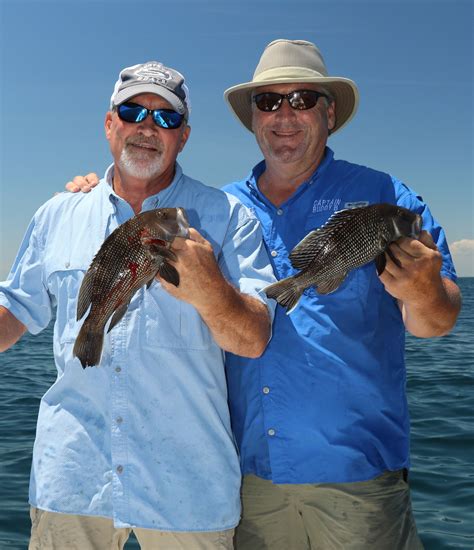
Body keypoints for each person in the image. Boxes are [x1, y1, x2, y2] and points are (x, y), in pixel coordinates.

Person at [67, 40, 462, 550]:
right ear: (253, 117)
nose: (284, 116)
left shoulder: (387, 197)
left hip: (359, 484)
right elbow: (136, 211)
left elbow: (437, 320)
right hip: (248, 485)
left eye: (302, 100)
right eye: (269, 102)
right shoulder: (217, 208)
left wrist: (424, 288)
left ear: (330, 111)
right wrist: (93, 191)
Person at [0, 61, 276, 549]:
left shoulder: (227, 217)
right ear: (110, 124)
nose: (148, 128)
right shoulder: (56, 214)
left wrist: (208, 285)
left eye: (165, 118)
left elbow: (254, 340)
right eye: (133, 111)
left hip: (189, 490)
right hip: (72, 482)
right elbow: (14, 312)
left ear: (183, 137)